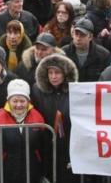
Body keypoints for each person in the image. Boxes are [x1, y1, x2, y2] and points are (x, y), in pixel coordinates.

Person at [31, 54, 78, 183]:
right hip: (46, 141)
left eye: (57, 72)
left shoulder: (74, 90)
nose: (53, 76)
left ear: (65, 73)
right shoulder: (37, 90)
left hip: (68, 140)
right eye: (50, 73)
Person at [0, 79, 46, 183]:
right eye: (15, 101)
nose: (18, 105)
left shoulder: (37, 116)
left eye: (22, 101)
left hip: (32, 171)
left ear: (28, 101)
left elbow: (43, 147)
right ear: (8, 101)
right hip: (6, 172)